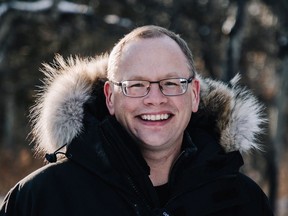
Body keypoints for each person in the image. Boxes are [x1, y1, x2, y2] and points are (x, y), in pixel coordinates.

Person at [0, 25, 273, 216]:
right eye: (136, 85)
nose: (155, 98)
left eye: (171, 83)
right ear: (110, 97)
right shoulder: (40, 198)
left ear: (194, 95)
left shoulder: (243, 200)